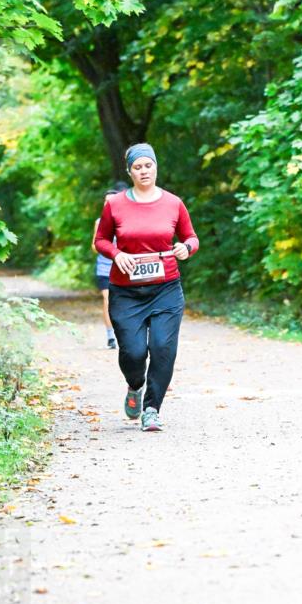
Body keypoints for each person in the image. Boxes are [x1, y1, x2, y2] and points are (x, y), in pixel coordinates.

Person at [94, 143, 199, 432]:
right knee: (133, 352)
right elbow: (101, 240)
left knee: (163, 348)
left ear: (155, 168)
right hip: (125, 292)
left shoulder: (173, 203)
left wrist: (186, 248)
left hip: (166, 289)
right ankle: (134, 385)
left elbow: (191, 237)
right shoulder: (115, 204)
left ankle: (152, 409)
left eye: (148, 165)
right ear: (129, 172)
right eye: (137, 167)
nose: (144, 171)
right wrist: (117, 254)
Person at [91, 183, 127, 349]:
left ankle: (126, 334)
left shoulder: (127, 220)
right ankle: (111, 336)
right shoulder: (99, 222)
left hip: (125, 268)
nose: (108, 204)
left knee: (125, 302)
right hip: (105, 269)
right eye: (105, 201)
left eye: (111, 201)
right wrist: (107, 248)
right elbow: (94, 245)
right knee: (108, 300)